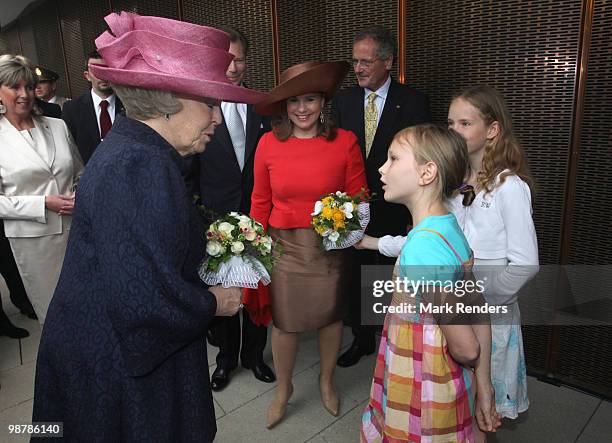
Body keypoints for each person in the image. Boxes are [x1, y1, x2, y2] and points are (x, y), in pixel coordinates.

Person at [31, 12, 267, 442]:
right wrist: (214, 302)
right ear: (167, 99)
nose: (217, 117)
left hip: (109, 354)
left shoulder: (138, 152)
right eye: (209, 103)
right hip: (117, 369)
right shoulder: (139, 166)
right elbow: (144, 301)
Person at [362, 86, 538, 424]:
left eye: (465, 123)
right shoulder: (455, 186)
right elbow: (429, 244)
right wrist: (373, 243)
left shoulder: (509, 186)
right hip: (455, 306)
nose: (454, 131)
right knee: (466, 399)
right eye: (450, 123)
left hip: (486, 308)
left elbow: (525, 263)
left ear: (492, 130)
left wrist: (479, 300)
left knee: (483, 402)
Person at [360, 124, 500, 442]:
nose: (382, 168)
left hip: (424, 383)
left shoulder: (423, 249)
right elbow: (478, 310)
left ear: (427, 173)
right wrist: (483, 383)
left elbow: (466, 347)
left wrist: (475, 365)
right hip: (447, 381)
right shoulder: (448, 229)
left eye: (393, 158)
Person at [250, 60, 368, 429]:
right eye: (294, 100)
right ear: (284, 105)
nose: (302, 109)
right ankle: (283, 390)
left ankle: (326, 381)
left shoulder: (345, 141)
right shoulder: (268, 143)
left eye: (311, 99)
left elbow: (360, 196)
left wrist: (346, 229)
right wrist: (253, 248)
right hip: (284, 247)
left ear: (323, 102)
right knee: (285, 323)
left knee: (329, 319)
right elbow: (259, 200)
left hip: (329, 249)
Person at [332, 26, 432, 367]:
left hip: (396, 208)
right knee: (358, 276)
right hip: (355, 206)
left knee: (394, 278)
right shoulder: (343, 102)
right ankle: (361, 340)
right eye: (354, 61)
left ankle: (394, 342)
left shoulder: (414, 102)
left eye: (366, 61)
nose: (357, 68)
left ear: (387, 61)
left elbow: (422, 157)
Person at [193, 27, 275, 391]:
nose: (232, 67)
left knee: (256, 288)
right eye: (225, 59)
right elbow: (189, 169)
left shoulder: (263, 105)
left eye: (239, 58)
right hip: (216, 219)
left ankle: (254, 356)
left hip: (258, 216)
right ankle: (225, 360)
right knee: (224, 292)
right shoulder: (199, 107)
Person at [0, 54, 83, 325]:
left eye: (28, 86)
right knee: (57, 316)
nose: (24, 94)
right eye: (14, 87)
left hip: (79, 232)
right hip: (35, 241)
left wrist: (80, 195)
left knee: (89, 304)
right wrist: (43, 203)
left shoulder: (57, 126)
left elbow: (81, 174)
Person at [62, 50, 124, 164]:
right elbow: (70, 149)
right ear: (87, 76)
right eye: (97, 71)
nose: (102, 76)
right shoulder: (72, 109)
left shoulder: (128, 105)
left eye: (105, 70)